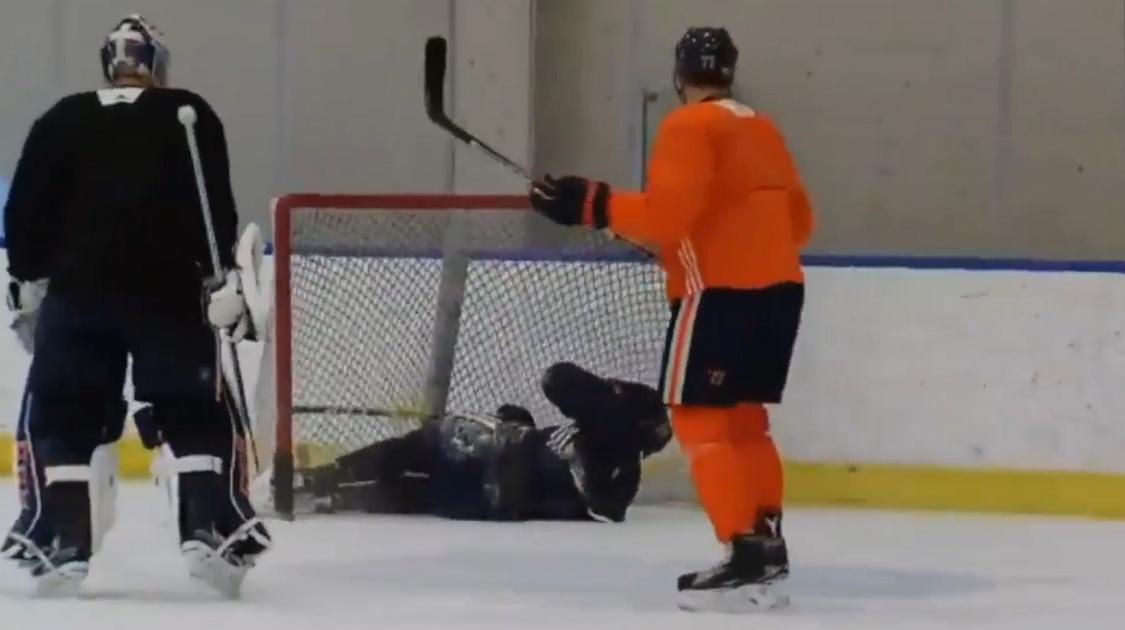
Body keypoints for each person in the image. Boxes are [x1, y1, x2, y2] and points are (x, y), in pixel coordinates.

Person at [528, 27, 815, 612]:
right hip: (780, 292)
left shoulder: (688, 125)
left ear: (680, 75)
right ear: (731, 70)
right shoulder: (761, 127)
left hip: (719, 295)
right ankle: (768, 545)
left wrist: (590, 203)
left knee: (700, 420)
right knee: (745, 423)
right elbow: (800, 222)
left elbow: (666, 217)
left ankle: (744, 553)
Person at [1, 14, 269, 597]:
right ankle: (211, 529)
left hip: (79, 294)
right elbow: (212, 206)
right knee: (193, 406)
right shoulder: (187, 113)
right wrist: (218, 277)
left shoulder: (62, 116)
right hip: (168, 295)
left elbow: (24, 211)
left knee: (64, 410)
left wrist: (27, 279)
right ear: (158, 63)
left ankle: (61, 539)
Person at [297, 362, 672, 524]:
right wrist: (523, 425)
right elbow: (558, 383)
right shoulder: (590, 432)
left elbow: (607, 508)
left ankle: (325, 483)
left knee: (417, 463)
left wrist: (579, 462)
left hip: (495, 477)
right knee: (419, 477)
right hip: (496, 474)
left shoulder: (614, 459)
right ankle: (329, 489)